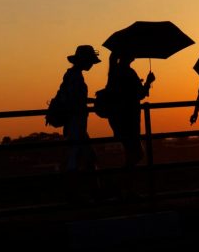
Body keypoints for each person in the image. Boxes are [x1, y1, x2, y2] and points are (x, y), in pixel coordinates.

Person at [105, 52, 155, 198]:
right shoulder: (128, 72)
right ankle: (120, 187)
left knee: (131, 153)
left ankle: (126, 189)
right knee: (137, 154)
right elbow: (139, 94)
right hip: (129, 119)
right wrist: (148, 82)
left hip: (118, 119)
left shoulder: (114, 71)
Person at [59, 44, 100, 202]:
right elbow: (75, 100)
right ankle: (79, 194)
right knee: (78, 158)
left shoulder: (71, 75)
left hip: (75, 123)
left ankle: (90, 192)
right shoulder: (76, 77)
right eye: (90, 61)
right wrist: (93, 101)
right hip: (76, 123)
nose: (91, 64)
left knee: (84, 157)